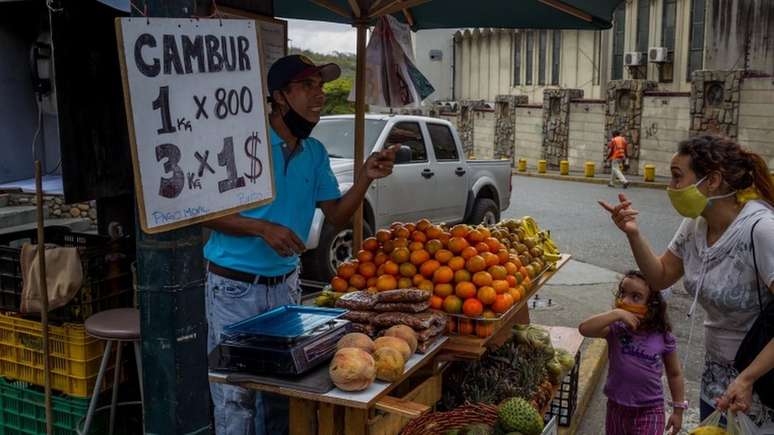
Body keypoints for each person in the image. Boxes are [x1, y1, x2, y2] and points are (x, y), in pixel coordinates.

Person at [203, 54, 398, 435]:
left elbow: (337, 215)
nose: (319, 95)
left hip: (286, 288)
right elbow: (202, 214)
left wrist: (364, 178)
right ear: (279, 96)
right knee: (236, 395)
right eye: (308, 86)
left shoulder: (315, 153)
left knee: (281, 392)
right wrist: (262, 229)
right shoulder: (244, 146)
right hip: (234, 288)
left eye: (321, 86)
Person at [599, 135, 774, 427]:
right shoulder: (695, 223)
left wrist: (748, 378)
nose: (671, 187)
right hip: (716, 378)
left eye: (678, 177)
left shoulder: (761, 230)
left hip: (760, 384)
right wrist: (633, 233)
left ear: (713, 180)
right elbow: (661, 276)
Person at [579, 270, 685, 435]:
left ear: (653, 305)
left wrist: (678, 411)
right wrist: (616, 314)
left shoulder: (663, 336)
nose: (625, 300)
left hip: (650, 411)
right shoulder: (616, 329)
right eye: (623, 293)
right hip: (616, 408)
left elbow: (675, 373)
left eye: (636, 297)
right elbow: (584, 329)